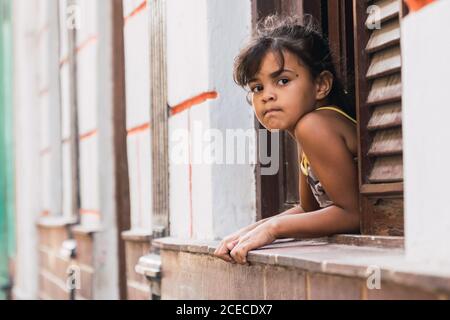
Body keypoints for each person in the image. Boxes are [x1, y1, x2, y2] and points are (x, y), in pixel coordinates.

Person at [213, 15, 361, 265]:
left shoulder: (313, 125)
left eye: (283, 81)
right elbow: (309, 209)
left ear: (321, 85)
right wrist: (250, 231)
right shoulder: (307, 129)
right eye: (257, 87)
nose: (267, 96)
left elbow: (353, 213)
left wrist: (274, 229)